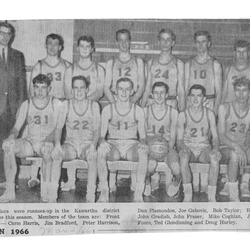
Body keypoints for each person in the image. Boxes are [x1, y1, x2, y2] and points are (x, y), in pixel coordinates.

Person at [1, 74, 63, 203]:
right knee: (8, 147)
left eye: (43, 88)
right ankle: (10, 190)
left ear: (49, 89)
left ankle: (45, 190)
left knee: (47, 150)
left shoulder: (56, 103)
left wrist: (49, 140)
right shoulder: (27, 104)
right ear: (33, 88)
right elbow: (16, 128)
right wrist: (11, 137)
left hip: (47, 142)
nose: (40, 91)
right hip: (30, 143)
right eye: (37, 87)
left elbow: (58, 128)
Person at [97, 77, 148, 202]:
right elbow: (101, 136)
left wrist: (143, 144)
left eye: (127, 89)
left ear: (132, 91)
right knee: (101, 151)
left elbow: (142, 137)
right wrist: (102, 141)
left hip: (131, 144)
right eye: (120, 89)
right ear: (115, 91)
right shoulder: (108, 110)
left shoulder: (138, 110)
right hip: (114, 143)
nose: (124, 92)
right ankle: (104, 191)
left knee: (143, 152)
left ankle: (138, 192)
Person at [56, 76, 100, 202]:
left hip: (87, 144)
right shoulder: (66, 104)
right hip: (71, 145)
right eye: (76, 88)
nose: (79, 91)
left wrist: (92, 145)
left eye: (82, 88)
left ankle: (90, 193)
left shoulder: (94, 105)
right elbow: (58, 128)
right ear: (72, 90)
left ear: (87, 89)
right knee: (57, 154)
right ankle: (52, 194)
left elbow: (97, 130)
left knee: (92, 155)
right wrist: (57, 145)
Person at [177, 84, 221, 202]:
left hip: (204, 149)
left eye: (199, 96)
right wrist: (184, 148)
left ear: (204, 98)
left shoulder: (209, 113)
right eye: (192, 95)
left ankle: (211, 197)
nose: (195, 99)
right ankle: (188, 196)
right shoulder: (183, 114)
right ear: (189, 98)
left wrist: (216, 149)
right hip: (189, 147)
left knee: (214, 158)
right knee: (183, 157)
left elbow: (215, 137)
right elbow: (179, 140)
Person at [0, 21, 27, 187]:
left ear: (12, 36)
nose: (5, 36)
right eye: (1, 33)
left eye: (8, 34)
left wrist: (22, 108)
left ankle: (6, 180)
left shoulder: (18, 55)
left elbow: (22, 84)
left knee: (9, 143)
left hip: (12, 107)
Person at [144, 82, 181, 197]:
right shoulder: (145, 111)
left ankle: (176, 182)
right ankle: (147, 181)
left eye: (162, 93)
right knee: (149, 164)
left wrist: (164, 151)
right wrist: (152, 149)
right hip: (151, 147)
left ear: (166, 95)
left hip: (168, 147)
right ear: (151, 94)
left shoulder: (173, 112)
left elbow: (173, 137)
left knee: (176, 166)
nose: (159, 96)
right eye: (156, 93)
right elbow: (143, 135)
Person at [218, 77, 250, 201]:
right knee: (234, 155)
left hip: (242, 147)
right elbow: (221, 135)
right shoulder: (224, 108)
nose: (241, 94)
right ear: (233, 91)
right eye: (238, 90)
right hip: (225, 147)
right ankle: (233, 195)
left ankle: (245, 183)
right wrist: (237, 148)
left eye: (245, 90)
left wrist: (245, 146)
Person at [141, 29, 185, 111]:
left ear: (173, 43)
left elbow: (181, 90)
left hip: (170, 103)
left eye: (168, 40)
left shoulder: (178, 63)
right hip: (152, 102)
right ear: (159, 42)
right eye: (162, 39)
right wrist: (142, 109)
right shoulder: (151, 62)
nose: (165, 43)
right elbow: (147, 88)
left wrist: (182, 112)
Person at [185, 31, 222, 115]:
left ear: (208, 43)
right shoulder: (188, 64)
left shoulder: (215, 64)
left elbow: (219, 92)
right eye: (198, 42)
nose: (200, 44)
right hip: (192, 103)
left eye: (203, 42)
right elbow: (185, 89)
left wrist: (215, 112)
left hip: (209, 102)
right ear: (195, 44)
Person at [104, 29, 145, 104]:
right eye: (121, 40)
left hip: (133, 100)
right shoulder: (111, 62)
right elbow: (106, 88)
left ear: (130, 41)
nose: (124, 43)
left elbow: (141, 87)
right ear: (117, 42)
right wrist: (114, 105)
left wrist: (131, 103)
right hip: (116, 100)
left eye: (126, 40)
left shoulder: (138, 61)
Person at [30, 33, 71, 99]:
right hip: (44, 105)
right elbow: (32, 92)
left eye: (55, 44)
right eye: (50, 44)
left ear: (60, 47)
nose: (52, 47)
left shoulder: (67, 66)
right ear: (45, 46)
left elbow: (71, 91)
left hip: (62, 104)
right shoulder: (38, 66)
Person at [64, 36, 105, 101]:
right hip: (74, 107)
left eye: (87, 46)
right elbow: (68, 94)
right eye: (82, 46)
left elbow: (99, 92)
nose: (84, 49)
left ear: (92, 49)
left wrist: (85, 103)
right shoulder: (70, 70)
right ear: (77, 49)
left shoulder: (99, 69)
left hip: (92, 106)